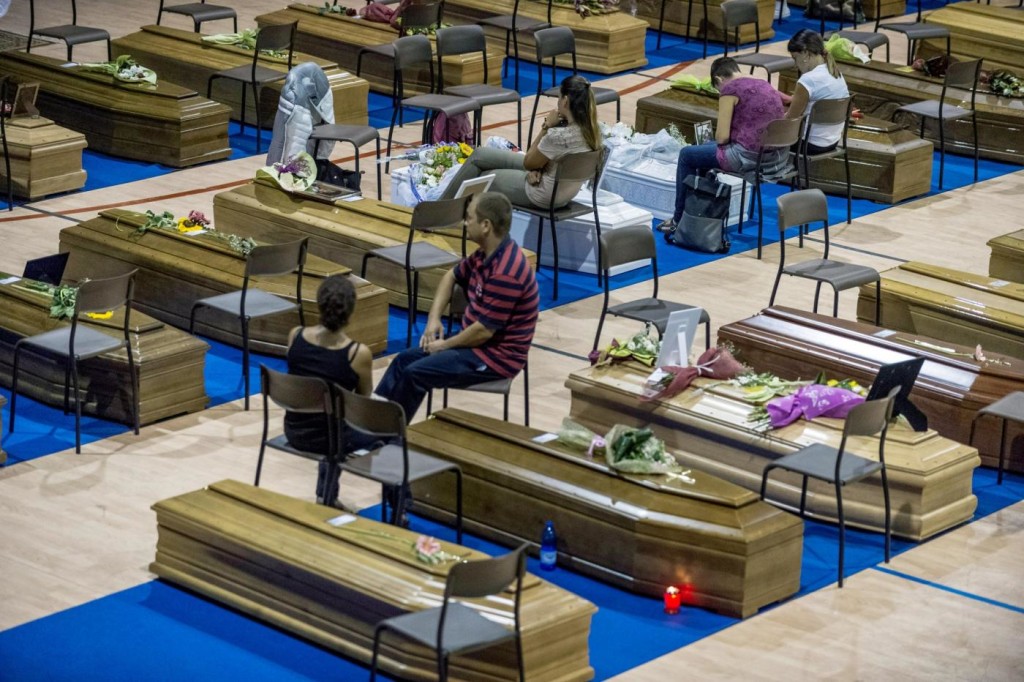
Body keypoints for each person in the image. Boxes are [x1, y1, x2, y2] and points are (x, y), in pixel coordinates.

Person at [375, 192, 539, 421]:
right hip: (473, 343)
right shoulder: (486, 254)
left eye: (469, 218)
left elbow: (483, 332)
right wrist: (434, 320)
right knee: (403, 360)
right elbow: (451, 276)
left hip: (494, 358)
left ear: (485, 226)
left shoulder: (506, 272)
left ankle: (386, 437)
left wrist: (443, 346)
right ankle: (372, 422)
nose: (464, 223)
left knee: (415, 374)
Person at [657, 57, 786, 233]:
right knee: (701, 153)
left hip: (746, 158)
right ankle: (699, 215)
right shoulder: (764, 83)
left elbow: (722, 137)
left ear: (718, 79)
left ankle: (679, 219)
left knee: (687, 154)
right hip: (775, 157)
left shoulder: (730, 89)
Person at [439, 75, 600, 209]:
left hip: (542, 193)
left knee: (483, 176)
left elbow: (529, 161)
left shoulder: (558, 136)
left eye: (558, 97)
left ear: (565, 101)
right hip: (563, 192)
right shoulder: (593, 132)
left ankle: (439, 212)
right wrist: (539, 170)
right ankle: (449, 210)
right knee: (480, 154)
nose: (557, 102)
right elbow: (553, 161)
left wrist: (546, 127)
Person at [283, 275, 373, 505]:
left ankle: (327, 495)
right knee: (394, 433)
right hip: (330, 438)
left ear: (319, 305)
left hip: (294, 430)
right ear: (351, 311)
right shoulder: (358, 353)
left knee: (333, 419)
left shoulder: (295, 335)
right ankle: (400, 511)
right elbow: (363, 399)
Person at [785, 29, 849, 154]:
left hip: (808, 144)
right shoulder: (835, 72)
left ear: (805, 53)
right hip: (833, 141)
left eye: (795, 58)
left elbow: (791, 119)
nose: (795, 65)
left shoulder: (808, 80)